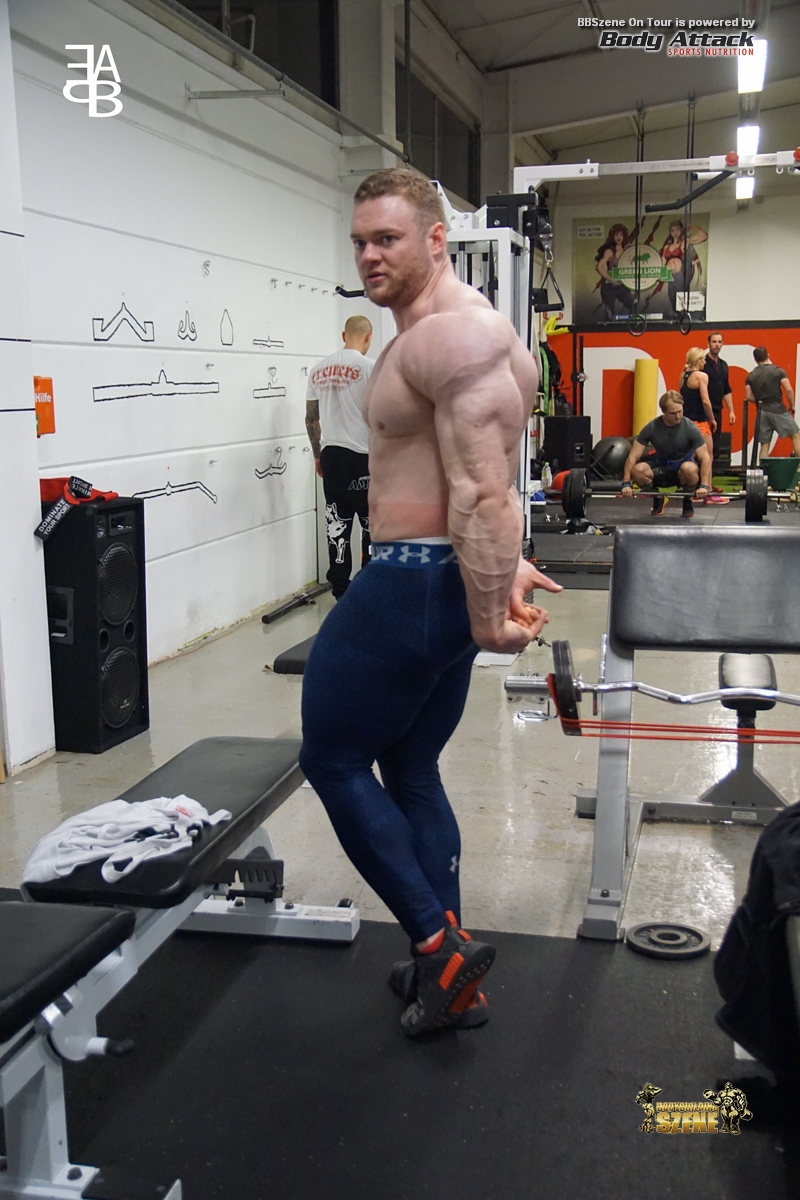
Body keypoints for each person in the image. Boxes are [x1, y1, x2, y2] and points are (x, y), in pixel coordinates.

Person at [299, 167, 562, 1038]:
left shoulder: (453, 337)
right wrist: (502, 570)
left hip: (410, 583)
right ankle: (448, 974)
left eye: (388, 239)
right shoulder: (464, 335)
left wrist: (488, 613)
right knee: (410, 768)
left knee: (333, 760)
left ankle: (438, 949)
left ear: (437, 238)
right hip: (440, 582)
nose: (369, 256)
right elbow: (476, 478)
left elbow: (486, 490)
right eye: (359, 242)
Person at [305, 316, 373, 599]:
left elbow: (311, 419)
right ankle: (368, 590)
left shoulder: (317, 370)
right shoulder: (370, 368)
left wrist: (317, 456)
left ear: (344, 335)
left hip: (331, 457)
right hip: (362, 457)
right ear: (368, 337)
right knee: (371, 525)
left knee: (337, 524)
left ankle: (340, 591)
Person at [620, 390, 712, 518]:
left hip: (683, 471)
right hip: (662, 468)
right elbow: (633, 456)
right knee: (638, 470)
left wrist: (704, 486)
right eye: (673, 413)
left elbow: (705, 458)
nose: (678, 416)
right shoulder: (652, 427)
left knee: (689, 469)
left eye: (680, 411)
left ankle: (687, 500)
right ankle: (658, 498)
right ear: (664, 411)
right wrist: (626, 483)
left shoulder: (690, 427)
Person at [744, 346, 800, 461]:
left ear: (755, 359)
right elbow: (788, 389)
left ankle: (763, 470)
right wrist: (792, 405)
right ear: (768, 355)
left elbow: (748, 396)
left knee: (764, 444)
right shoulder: (778, 371)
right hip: (778, 409)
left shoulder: (751, 376)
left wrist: (760, 401)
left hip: (761, 413)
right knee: (796, 435)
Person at [659, 220, 707, 318]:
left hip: (680, 275)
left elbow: (704, 236)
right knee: (672, 299)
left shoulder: (684, 242)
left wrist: (693, 226)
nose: (675, 232)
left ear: (681, 230)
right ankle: (677, 318)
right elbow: (663, 262)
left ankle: (682, 317)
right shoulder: (666, 247)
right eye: (672, 230)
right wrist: (661, 275)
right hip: (670, 277)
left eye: (677, 229)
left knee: (679, 300)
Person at [703, 332, 735, 465]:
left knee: (715, 446)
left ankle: (711, 476)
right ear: (708, 344)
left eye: (719, 342)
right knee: (703, 446)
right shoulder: (703, 363)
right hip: (703, 410)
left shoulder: (723, 365)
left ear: (722, 344)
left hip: (717, 410)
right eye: (714, 342)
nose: (717, 345)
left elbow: (726, 389)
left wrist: (731, 411)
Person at [679, 346, 716, 456]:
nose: (705, 362)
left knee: (689, 455)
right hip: (699, 421)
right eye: (704, 359)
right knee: (708, 455)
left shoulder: (682, 375)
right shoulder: (701, 376)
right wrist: (712, 418)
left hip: (685, 421)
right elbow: (705, 401)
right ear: (698, 360)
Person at [594, 224, 636, 320]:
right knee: (610, 314)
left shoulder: (627, 250)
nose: (618, 237)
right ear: (612, 236)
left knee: (633, 306)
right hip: (609, 286)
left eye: (621, 234)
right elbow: (599, 267)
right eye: (616, 234)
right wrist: (611, 280)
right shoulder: (609, 251)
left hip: (622, 285)